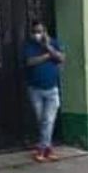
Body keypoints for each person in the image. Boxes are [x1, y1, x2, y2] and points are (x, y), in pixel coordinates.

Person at [24, 21, 66, 163]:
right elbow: (30, 62)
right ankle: (48, 148)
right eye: (36, 31)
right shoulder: (29, 45)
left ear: (45, 31)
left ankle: (42, 150)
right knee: (42, 120)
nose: (38, 34)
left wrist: (47, 46)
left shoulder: (54, 43)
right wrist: (47, 56)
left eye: (41, 31)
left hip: (52, 89)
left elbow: (61, 58)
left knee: (48, 120)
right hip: (35, 89)